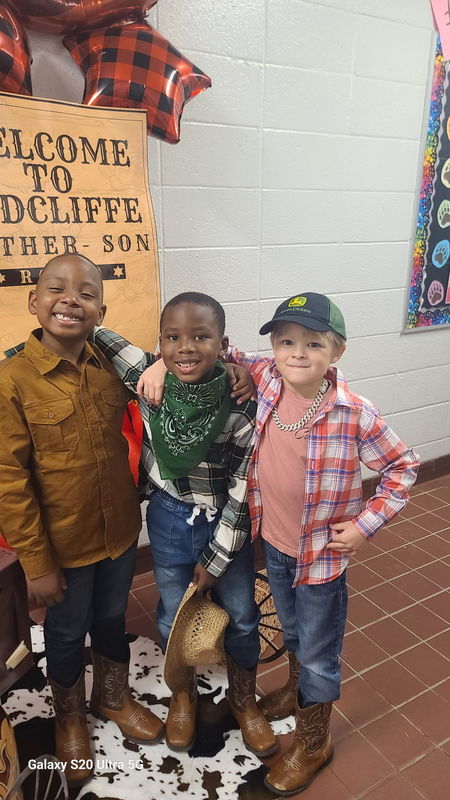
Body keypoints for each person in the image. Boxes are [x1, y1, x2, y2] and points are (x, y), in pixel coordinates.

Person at [139, 291, 420, 796]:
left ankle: (314, 743)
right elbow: (208, 348)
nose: (297, 353)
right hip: (274, 545)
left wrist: (365, 525)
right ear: (273, 347)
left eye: (313, 343)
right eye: (286, 341)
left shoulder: (354, 412)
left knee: (318, 651)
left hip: (321, 559)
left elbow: (404, 466)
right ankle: (293, 688)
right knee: (290, 631)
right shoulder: (267, 378)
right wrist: (159, 363)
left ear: (336, 351)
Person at [0, 254, 164, 788]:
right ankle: (69, 717)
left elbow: (180, 371)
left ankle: (112, 697)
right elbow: (9, 482)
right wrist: (36, 563)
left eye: (87, 293)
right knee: (67, 631)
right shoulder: (12, 381)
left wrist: (230, 368)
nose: (70, 299)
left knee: (112, 617)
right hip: (62, 547)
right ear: (34, 301)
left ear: (101, 312)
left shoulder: (112, 367)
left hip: (119, 532)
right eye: (56, 288)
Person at [92, 292, 278, 758]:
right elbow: (95, 331)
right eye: (172, 338)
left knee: (242, 615)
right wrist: (156, 362)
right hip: (169, 516)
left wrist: (216, 559)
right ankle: (183, 693)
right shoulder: (149, 380)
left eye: (200, 337)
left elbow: (242, 488)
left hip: (226, 521)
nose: (186, 347)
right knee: (172, 611)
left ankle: (243, 699)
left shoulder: (240, 405)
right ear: (160, 344)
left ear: (224, 345)